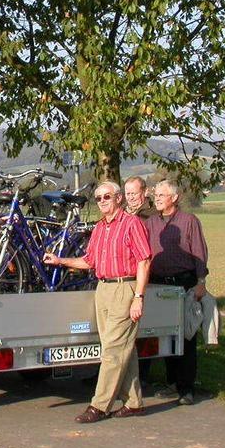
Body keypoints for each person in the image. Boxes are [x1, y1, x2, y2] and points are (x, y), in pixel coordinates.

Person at [43, 181, 151, 423]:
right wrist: (60, 261)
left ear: (119, 198)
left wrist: (138, 297)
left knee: (113, 351)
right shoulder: (100, 228)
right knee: (123, 349)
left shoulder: (132, 224)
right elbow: (89, 261)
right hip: (103, 289)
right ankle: (134, 402)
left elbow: (144, 261)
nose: (102, 201)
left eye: (107, 197)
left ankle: (99, 406)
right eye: (98, 198)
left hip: (125, 287)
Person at [146, 178, 209, 406]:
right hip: (157, 284)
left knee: (186, 338)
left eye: (161, 196)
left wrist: (201, 282)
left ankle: (187, 388)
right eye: (156, 195)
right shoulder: (150, 223)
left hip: (183, 284)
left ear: (174, 198)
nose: (157, 199)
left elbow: (200, 252)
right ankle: (172, 382)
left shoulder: (188, 221)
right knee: (164, 336)